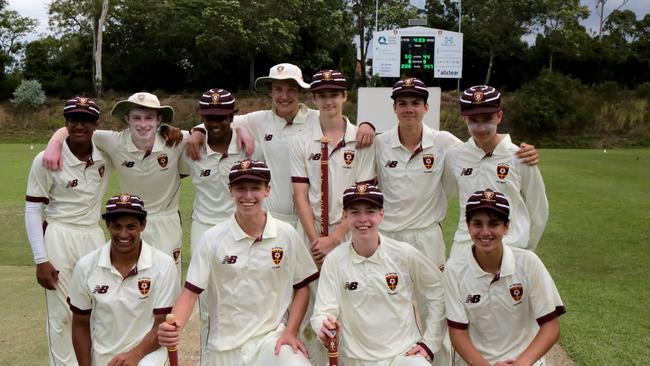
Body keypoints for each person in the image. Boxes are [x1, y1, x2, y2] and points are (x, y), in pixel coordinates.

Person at [158, 160, 318, 366]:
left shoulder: (285, 233)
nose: (248, 196)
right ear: (230, 191)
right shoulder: (212, 238)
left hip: (270, 341)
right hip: (225, 347)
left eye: (255, 188)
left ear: (267, 190)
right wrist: (175, 325)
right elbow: (190, 294)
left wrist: (291, 331)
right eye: (241, 188)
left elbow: (302, 287)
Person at [376, 78, 540, 270]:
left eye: (415, 103)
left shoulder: (444, 142)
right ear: (394, 107)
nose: (409, 109)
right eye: (402, 103)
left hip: (430, 237)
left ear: (426, 107)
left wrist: (521, 151)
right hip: (390, 235)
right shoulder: (380, 143)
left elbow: (485, 149)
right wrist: (367, 126)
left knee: (434, 298)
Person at [186, 63, 376, 227]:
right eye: (278, 89)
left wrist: (367, 126)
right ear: (270, 91)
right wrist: (198, 131)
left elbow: (343, 123)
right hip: (272, 217)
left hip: (310, 219)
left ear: (301, 91)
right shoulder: (259, 120)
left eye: (291, 89)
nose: (284, 96)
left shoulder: (316, 117)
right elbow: (220, 119)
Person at [42, 92, 190, 271]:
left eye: (149, 118)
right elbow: (72, 129)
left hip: (167, 222)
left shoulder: (178, 140)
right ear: (127, 119)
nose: (143, 124)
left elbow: (205, 130)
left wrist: (194, 133)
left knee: (169, 279)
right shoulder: (113, 140)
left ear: (159, 120)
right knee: (133, 281)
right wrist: (54, 144)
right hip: (132, 221)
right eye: (136, 118)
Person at [311, 184, 445, 366]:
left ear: (381, 214)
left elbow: (438, 290)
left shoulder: (404, 254)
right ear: (345, 216)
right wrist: (323, 328)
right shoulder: (335, 260)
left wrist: (429, 343)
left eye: (370, 211)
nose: (363, 219)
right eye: (355, 212)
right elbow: (322, 312)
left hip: (403, 356)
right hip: (354, 359)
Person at [24, 96, 110, 366]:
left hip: (93, 236)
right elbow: (32, 210)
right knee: (62, 316)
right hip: (58, 237)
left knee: (95, 311)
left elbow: (138, 137)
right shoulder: (45, 160)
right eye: (73, 119)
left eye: (86, 119)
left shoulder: (106, 153)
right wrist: (41, 259)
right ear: (66, 122)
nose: (79, 125)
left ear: (96, 124)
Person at [444, 189, 565, 365]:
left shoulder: (528, 262)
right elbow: (458, 334)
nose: (485, 232)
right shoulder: (454, 269)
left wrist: (519, 364)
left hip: (525, 361)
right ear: (468, 226)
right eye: (477, 224)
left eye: (493, 224)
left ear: (506, 227)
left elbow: (551, 327)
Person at [182, 87, 255, 365]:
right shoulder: (190, 147)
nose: (216, 123)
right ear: (202, 116)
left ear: (232, 116)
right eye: (209, 117)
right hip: (204, 229)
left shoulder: (250, 143)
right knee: (207, 303)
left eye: (222, 117)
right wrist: (195, 132)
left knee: (244, 298)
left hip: (242, 227)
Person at [68, 194, 180, 366]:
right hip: (104, 356)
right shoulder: (86, 266)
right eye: (116, 226)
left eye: (131, 227)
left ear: (143, 225)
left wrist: (135, 355)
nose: (123, 234)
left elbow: (162, 324)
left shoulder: (163, 265)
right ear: (107, 225)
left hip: (148, 354)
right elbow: (80, 324)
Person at [444, 85, 548, 258]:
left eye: (487, 119)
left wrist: (526, 250)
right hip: (464, 248)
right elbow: (440, 195)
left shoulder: (520, 157)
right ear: (465, 119)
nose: (481, 127)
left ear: (499, 116)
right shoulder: (455, 155)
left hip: (510, 248)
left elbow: (538, 209)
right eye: (474, 120)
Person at [290, 69, 376, 266]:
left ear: (345, 96)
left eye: (334, 95)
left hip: (349, 230)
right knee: (310, 293)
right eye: (322, 96)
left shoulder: (361, 140)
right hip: (311, 232)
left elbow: (361, 197)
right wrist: (316, 242)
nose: (328, 101)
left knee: (349, 292)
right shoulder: (300, 141)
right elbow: (300, 195)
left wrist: (335, 239)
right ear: (313, 99)